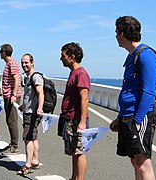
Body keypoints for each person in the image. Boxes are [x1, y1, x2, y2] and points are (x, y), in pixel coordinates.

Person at [110, 16, 156, 180]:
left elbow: (149, 91)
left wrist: (137, 121)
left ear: (122, 34)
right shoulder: (132, 56)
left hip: (140, 116)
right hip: (128, 115)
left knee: (143, 163)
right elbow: (130, 89)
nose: (116, 36)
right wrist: (120, 117)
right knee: (135, 161)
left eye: (117, 32)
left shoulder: (146, 55)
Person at [59, 42, 91, 180]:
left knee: (79, 151)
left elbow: (84, 99)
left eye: (63, 56)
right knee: (74, 151)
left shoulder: (81, 74)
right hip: (69, 118)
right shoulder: (73, 73)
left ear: (72, 57)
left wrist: (82, 122)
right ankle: (74, 177)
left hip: (77, 119)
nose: (61, 59)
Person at [17, 54, 44, 175]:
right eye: (22, 63)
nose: (24, 65)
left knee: (27, 138)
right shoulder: (28, 77)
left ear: (32, 62)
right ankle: (35, 161)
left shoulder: (35, 76)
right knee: (33, 137)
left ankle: (27, 165)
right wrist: (24, 105)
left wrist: (39, 108)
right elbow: (29, 95)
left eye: (26, 62)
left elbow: (40, 93)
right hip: (29, 110)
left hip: (32, 113)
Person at [0, 44, 22, 154]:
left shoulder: (12, 63)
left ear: (4, 52)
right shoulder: (9, 63)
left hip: (11, 96)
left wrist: (13, 95)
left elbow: (17, 78)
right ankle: (12, 143)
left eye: (0, 51)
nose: (0, 53)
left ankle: (15, 145)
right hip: (8, 95)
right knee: (9, 120)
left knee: (12, 120)